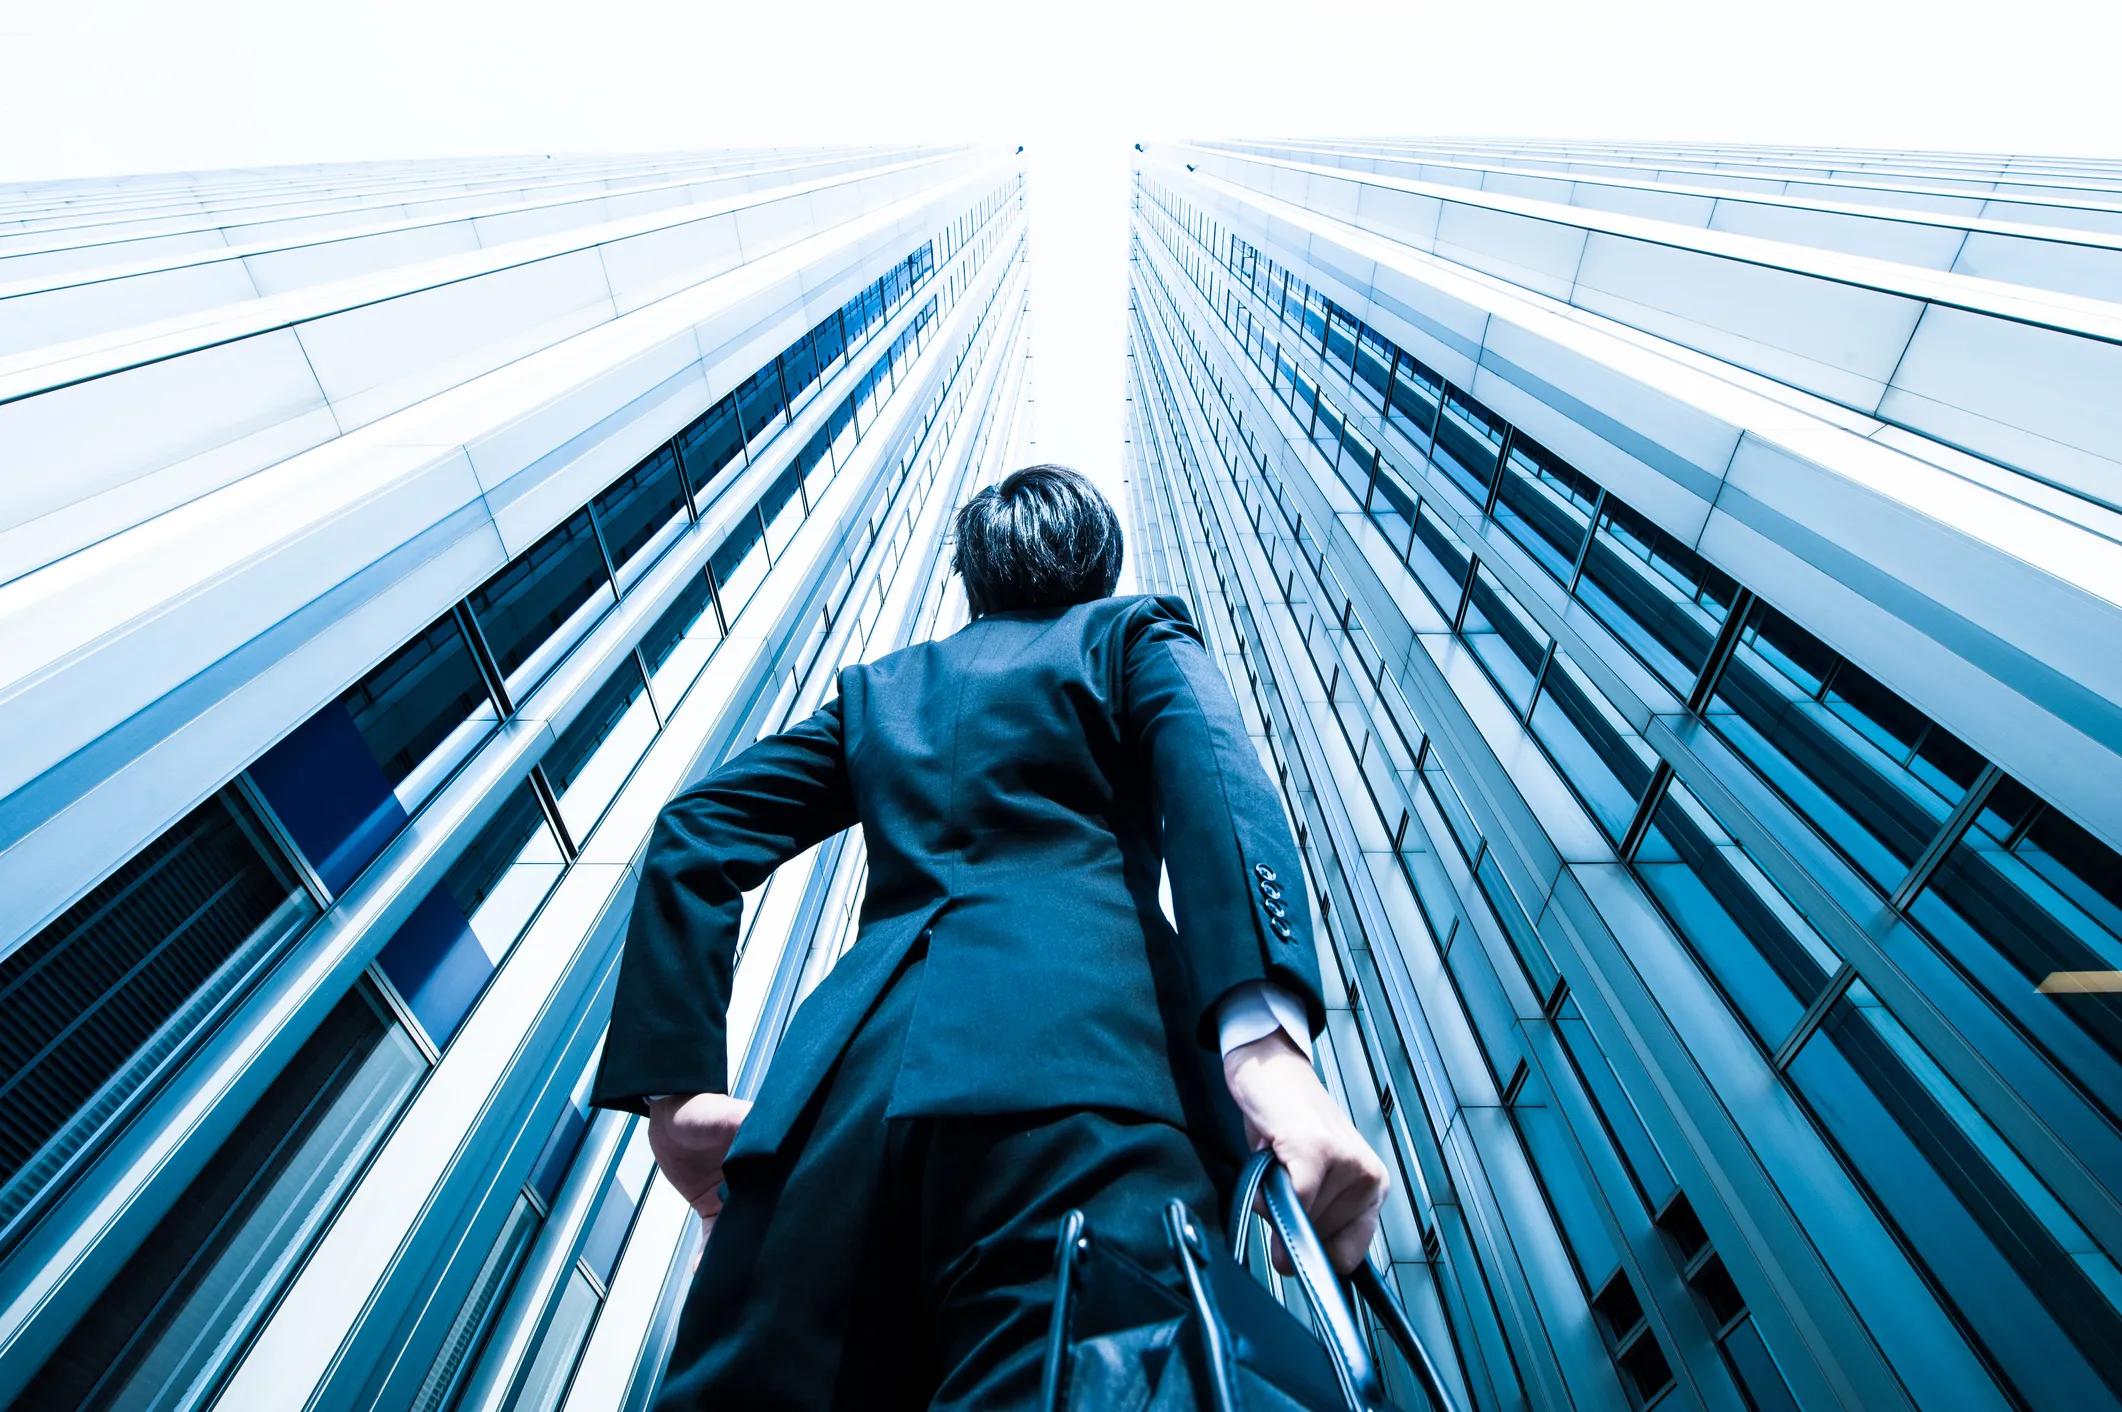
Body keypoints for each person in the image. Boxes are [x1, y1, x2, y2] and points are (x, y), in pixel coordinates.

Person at [589, 464, 1389, 1408]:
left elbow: (697, 828)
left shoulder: (879, 694)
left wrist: (675, 1099)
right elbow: (1216, 782)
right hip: (1082, 1076)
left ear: (975, 577)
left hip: (834, 1125)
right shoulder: (1129, 634)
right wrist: (1267, 1055)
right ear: (1097, 559)